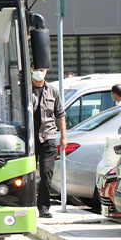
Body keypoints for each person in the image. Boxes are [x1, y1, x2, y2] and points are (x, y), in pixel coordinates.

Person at [31, 66, 67, 219]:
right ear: (31, 69)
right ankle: (28, 205)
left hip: (48, 137)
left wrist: (64, 136)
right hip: (30, 140)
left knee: (46, 175)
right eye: (36, 69)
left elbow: (60, 114)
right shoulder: (24, 89)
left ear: (46, 72)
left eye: (42, 70)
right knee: (28, 176)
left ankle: (44, 207)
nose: (40, 73)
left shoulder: (53, 90)